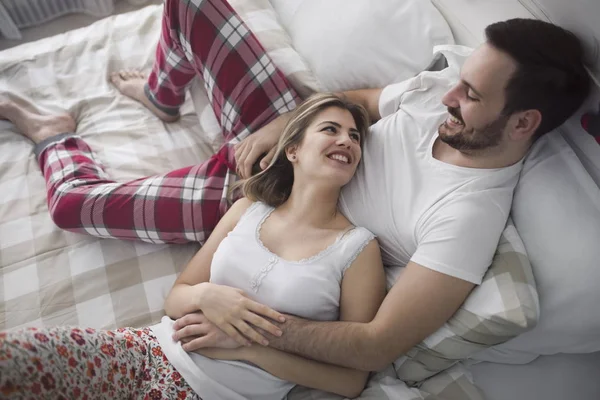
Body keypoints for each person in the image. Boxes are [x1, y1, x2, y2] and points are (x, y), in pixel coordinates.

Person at [0, 0, 591, 379]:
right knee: (193, 6)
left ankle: (54, 139)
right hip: (302, 133)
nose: (446, 97)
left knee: (76, 206)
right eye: (459, 80)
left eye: (470, 97)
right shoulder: (449, 85)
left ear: (522, 124)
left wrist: (245, 326)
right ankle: (162, 92)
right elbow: (360, 102)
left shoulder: (466, 218)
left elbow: (375, 346)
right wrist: (283, 126)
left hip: (272, 197)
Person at [0, 93, 387, 399]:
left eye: (354, 136)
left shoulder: (357, 249)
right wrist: (210, 297)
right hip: (146, 353)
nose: (345, 141)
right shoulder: (248, 209)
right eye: (331, 129)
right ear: (293, 150)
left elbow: (351, 379)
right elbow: (177, 298)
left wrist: (244, 348)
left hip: (218, 394)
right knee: (13, 360)